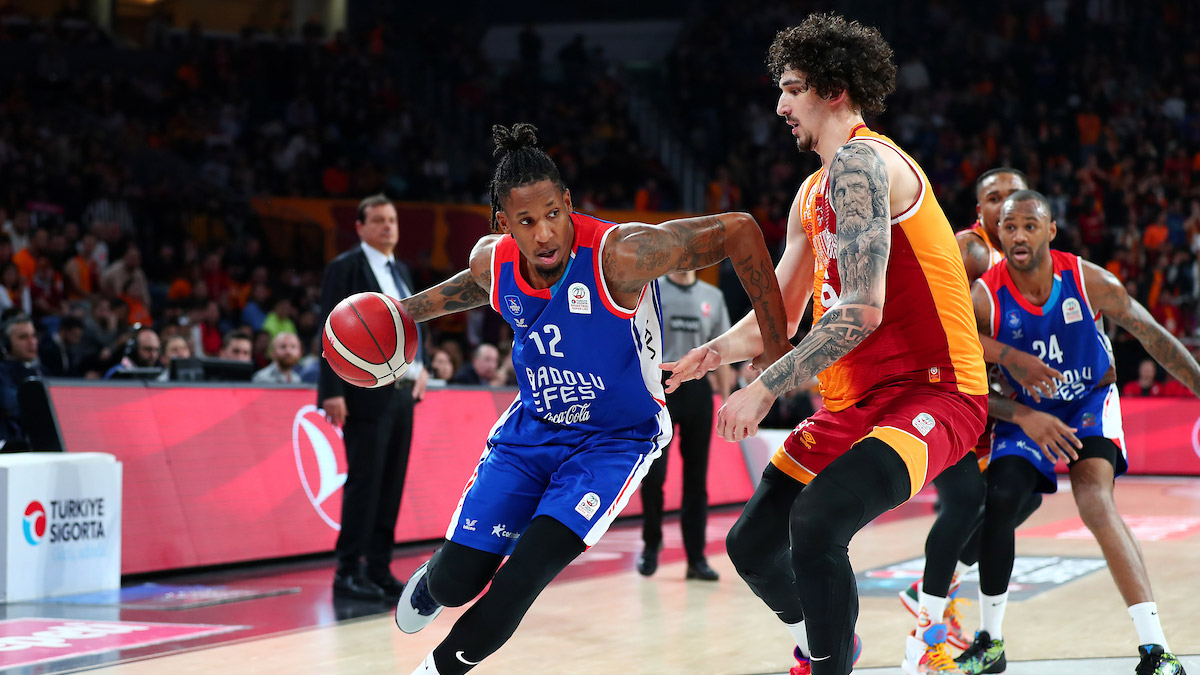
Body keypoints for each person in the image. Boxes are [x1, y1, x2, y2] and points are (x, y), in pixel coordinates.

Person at [393, 122, 791, 675]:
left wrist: (777, 348)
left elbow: (741, 231)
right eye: (526, 222)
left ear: (567, 202)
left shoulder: (621, 254)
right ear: (504, 224)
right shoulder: (492, 260)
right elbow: (467, 289)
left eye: (553, 214)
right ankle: (435, 582)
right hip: (533, 429)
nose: (544, 234)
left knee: (522, 577)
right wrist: (399, 315)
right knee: (456, 583)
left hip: (615, 440)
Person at [664, 15, 988, 675]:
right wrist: (713, 354)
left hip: (935, 392)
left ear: (833, 90)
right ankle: (828, 640)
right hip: (857, 402)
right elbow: (778, 316)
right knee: (752, 544)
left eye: (792, 89)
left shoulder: (864, 164)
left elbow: (861, 312)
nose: (780, 107)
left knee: (816, 523)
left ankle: (825, 661)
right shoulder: (813, 191)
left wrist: (764, 386)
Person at [956, 190, 1192, 675]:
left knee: (1095, 502)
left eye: (1029, 225)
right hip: (1027, 409)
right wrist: (1021, 412)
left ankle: (1156, 649)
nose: (1019, 235)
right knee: (1001, 501)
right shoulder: (983, 298)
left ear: (1050, 230)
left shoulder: (1089, 281)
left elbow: (1153, 335)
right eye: (1009, 227)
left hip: (1089, 400)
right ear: (999, 233)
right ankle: (990, 642)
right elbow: (959, 377)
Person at [900, 168, 1060, 658]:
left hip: (988, 401)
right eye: (994, 198)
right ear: (980, 209)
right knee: (966, 501)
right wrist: (1014, 359)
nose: (1005, 204)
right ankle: (927, 624)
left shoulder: (1022, 260)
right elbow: (948, 330)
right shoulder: (972, 250)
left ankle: (935, 586)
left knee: (1020, 499)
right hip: (949, 392)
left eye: (1014, 196)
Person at [318, 193, 430, 602]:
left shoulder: (400, 271)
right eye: (379, 220)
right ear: (360, 227)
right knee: (365, 483)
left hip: (402, 395)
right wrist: (331, 391)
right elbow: (328, 330)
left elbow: (413, 325)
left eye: (392, 220)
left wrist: (423, 366)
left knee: (391, 484)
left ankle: (379, 568)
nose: (387, 226)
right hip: (363, 394)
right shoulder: (345, 267)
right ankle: (348, 570)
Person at [637, 269, 731, 581]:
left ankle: (696, 558)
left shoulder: (713, 297)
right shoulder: (652, 290)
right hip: (659, 388)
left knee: (696, 479)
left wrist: (726, 399)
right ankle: (651, 543)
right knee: (654, 474)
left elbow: (723, 353)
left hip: (698, 390)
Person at [0, 315, 41, 450]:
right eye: (23, 337)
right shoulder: (3, 371)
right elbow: (9, 403)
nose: (31, 342)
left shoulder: (42, 370)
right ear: (7, 343)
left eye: (33, 336)